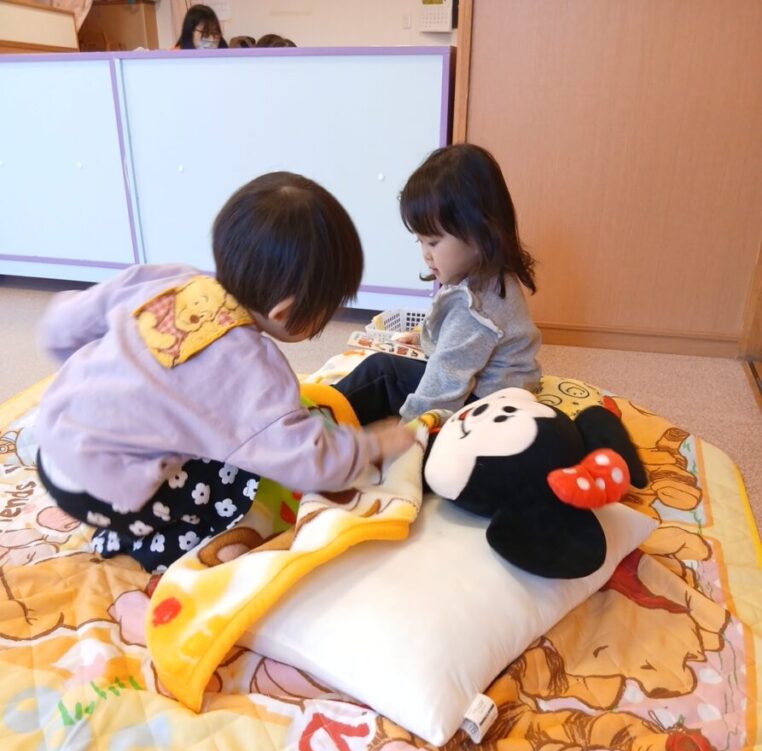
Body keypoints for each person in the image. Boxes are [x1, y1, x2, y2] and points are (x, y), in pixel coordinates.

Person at [34, 173, 413, 573]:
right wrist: (369, 446)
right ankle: (155, 547)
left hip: (52, 442)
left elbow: (61, 325)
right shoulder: (254, 373)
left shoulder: (167, 277)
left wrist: (106, 375)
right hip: (102, 493)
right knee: (241, 473)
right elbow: (305, 461)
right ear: (285, 312)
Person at [333, 143, 542, 424]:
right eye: (419, 241)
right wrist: (423, 338)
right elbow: (463, 344)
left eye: (432, 242)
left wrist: (412, 430)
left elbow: (446, 379)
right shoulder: (491, 277)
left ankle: (320, 414)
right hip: (503, 389)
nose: (425, 254)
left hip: (483, 406)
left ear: (479, 234)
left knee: (382, 371)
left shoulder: (473, 307)